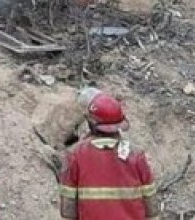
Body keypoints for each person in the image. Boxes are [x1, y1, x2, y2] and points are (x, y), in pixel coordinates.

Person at [59, 92, 160, 220]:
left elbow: (68, 209)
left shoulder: (75, 155)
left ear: (91, 123)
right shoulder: (136, 155)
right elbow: (151, 205)